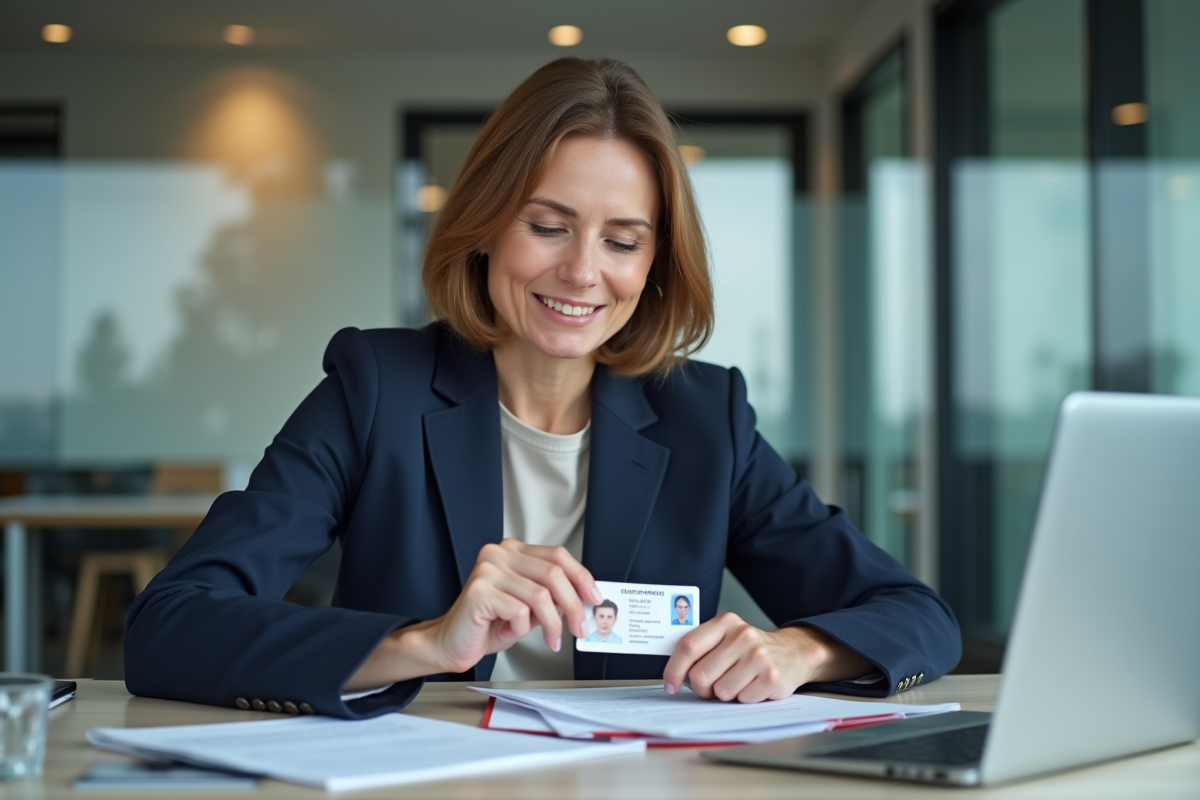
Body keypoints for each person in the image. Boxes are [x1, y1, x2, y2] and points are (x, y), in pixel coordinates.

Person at [124, 57, 960, 720]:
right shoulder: (376, 386)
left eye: (623, 241)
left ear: (654, 264)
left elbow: (915, 614)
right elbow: (169, 627)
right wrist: (425, 643)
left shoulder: (706, 416)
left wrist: (800, 652)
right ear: (488, 226)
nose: (582, 272)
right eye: (549, 226)